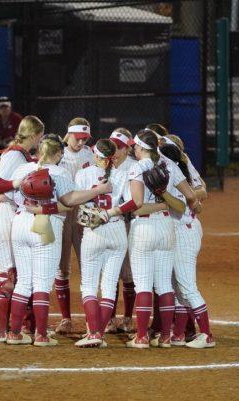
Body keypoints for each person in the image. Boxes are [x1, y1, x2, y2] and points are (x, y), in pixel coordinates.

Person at [0, 134, 111, 346]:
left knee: (24, 282)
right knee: (42, 284)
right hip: (46, 225)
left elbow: (1, 189)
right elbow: (69, 200)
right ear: (57, 154)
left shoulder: (23, 170)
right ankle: (40, 335)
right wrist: (98, 190)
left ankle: (15, 333)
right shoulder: (60, 172)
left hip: (20, 223)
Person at [103, 129, 198, 348]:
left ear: (140, 148)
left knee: (144, 285)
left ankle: (142, 337)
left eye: (135, 147)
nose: (133, 150)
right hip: (166, 226)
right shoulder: (169, 165)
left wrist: (113, 212)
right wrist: (166, 203)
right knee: (165, 284)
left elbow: (136, 206)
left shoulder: (136, 168)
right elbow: (188, 198)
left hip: (144, 227)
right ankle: (165, 337)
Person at [0, 115, 44, 342]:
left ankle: (22, 327)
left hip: (10, 212)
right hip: (3, 214)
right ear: (35, 135)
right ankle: (0, 330)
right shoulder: (13, 154)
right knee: (7, 271)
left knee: (17, 272)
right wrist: (14, 184)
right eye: (40, 135)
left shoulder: (21, 154)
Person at [158, 140, 214, 349]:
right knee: (178, 287)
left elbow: (182, 205)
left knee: (187, 286)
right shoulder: (179, 173)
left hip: (184, 232)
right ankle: (179, 334)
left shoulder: (173, 176)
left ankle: (207, 335)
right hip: (182, 229)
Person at [73, 138, 128, 348]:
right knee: (109, 286)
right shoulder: (123, 174)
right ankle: (99, 334)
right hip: (116, 228)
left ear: (96, 155)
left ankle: (94, 332)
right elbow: (132, 203)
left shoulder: (84, 173)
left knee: (88, 285)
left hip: (93, 231)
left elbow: (75, 200)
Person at [53, 117, 95, 334]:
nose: (80, 143)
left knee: (88, 262)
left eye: (84, 139)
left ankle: (92, 321)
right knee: (62, 267)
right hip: (61, 212)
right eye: (77, 139)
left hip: (83, 212)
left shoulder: (91, 153)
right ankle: (66, 319)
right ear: (68, 134)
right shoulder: (56, 153)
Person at [103, 128, 137, 334]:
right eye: (113, 146)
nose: (115, 150)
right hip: (106, 224)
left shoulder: (134, 166)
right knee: (110, 273)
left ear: (127, 148)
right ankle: (110, 319)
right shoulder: (104, 164)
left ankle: (127, 318)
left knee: (128, 274)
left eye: (120, 147)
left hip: (128, 223)